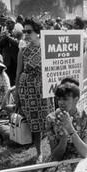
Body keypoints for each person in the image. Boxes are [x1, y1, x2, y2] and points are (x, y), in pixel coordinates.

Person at [15, 18, 54, 163]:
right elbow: (18, 74)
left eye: (29, 31)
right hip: (28, 90)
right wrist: (17, 94)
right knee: (35, 123)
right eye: (24, 31)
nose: (26, 34)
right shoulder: (23, 51)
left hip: (45, 89)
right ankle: (39, 152)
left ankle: (53, 149)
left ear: (38, 32)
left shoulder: (48, 48)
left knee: (49, 120)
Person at [0, 17, 20, 85]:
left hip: (16, 57)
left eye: (10, 23)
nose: (8, 25)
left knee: (16, 75)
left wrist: (8, 37)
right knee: (8, 75)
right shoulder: (3, 33)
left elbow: (18, 43)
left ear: (14, 24)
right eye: (7, 23)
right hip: (7, 58)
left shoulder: (18, 32)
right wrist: (3, 38)